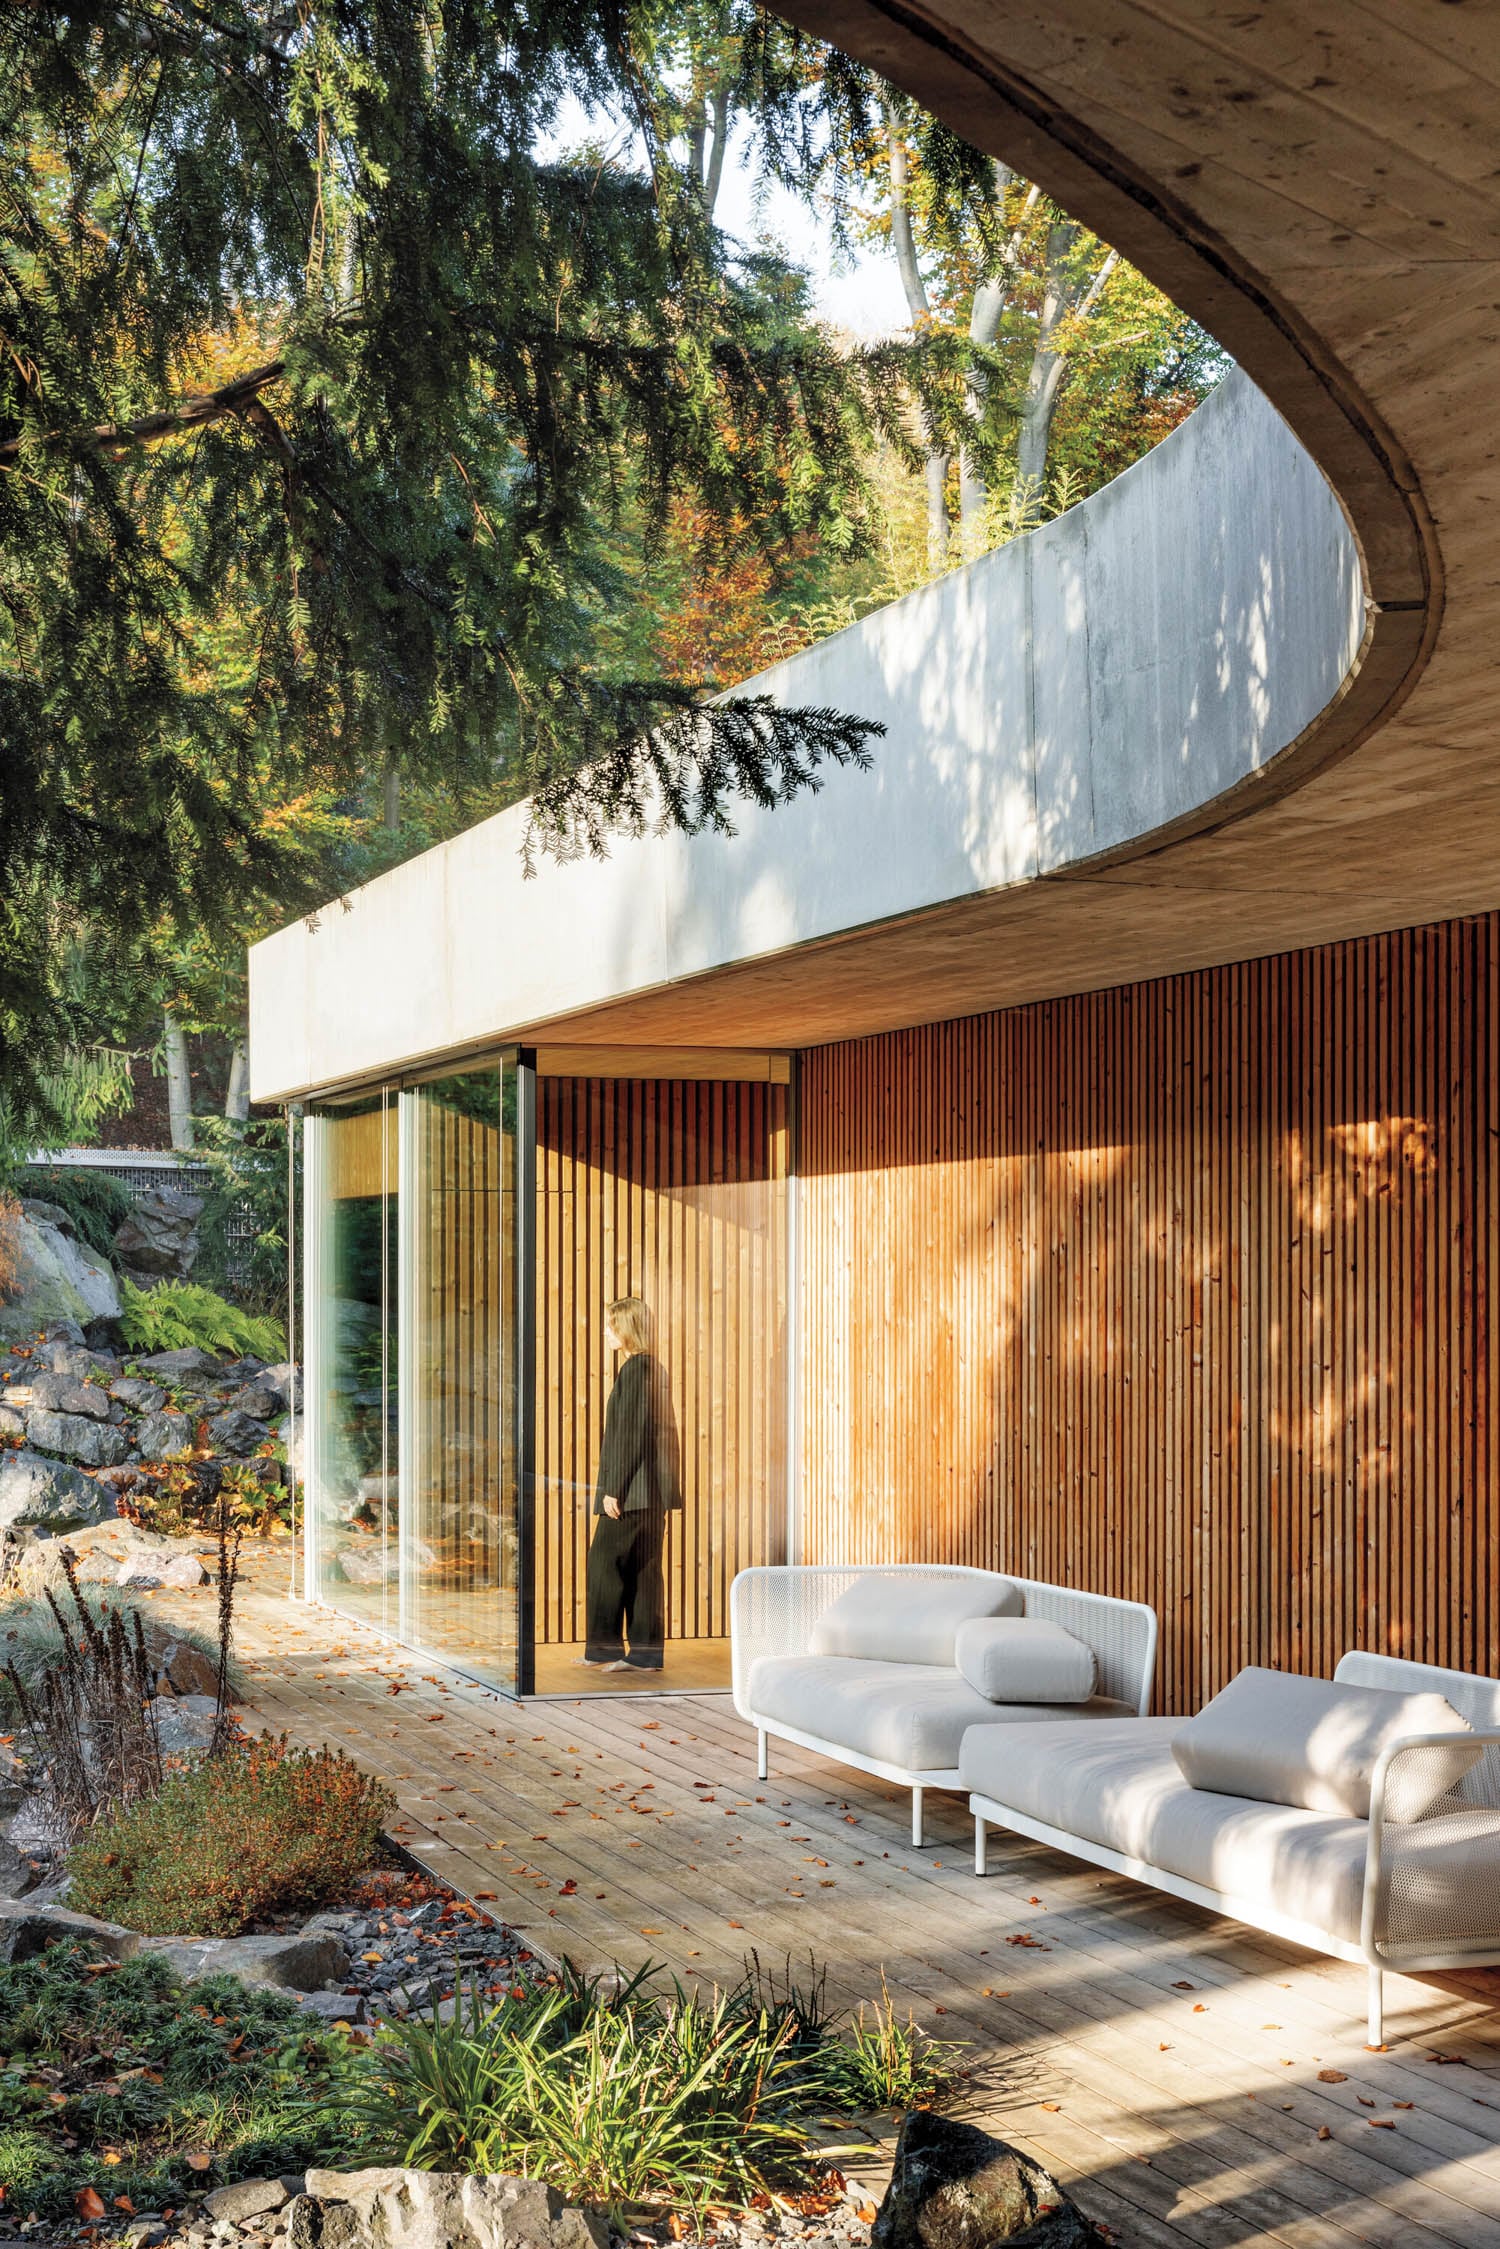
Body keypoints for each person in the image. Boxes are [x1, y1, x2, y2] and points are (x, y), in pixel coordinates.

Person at [582, 1296, 682, 1671]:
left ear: (628, 1329)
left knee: (604, 1564)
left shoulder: (637, 1371)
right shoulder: (651, 1369)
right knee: (644, 1570)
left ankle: (606, 1649)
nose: (605, 1331)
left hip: (632, 1494)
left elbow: (630, 1435)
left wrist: (614, 1490)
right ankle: (644, 1655)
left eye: (611, 1325)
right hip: (649, 1494)